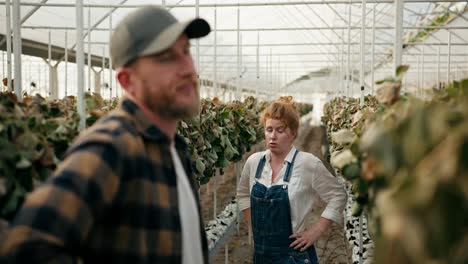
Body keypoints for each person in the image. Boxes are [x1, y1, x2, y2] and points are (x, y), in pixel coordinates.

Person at [0, 5, 211, 264]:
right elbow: (25, 248)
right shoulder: (112, 146)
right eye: (166, 58)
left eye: (186, 51)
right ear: (127, 81)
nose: (188, 68)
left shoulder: (172, 146)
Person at [237, 96, 347, 264]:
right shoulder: (254, 162)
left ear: (293, 133)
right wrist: (254, 225)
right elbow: (243, 194)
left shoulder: (307, 163)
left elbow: (338, 195)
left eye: (280, 130)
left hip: (294, 256)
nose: (273, 136)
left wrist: (316, 230)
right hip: (261, 255)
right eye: (269, 130)